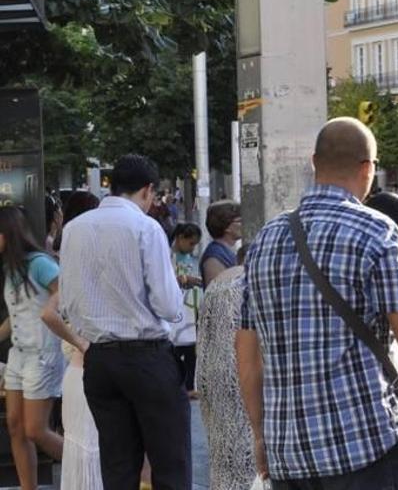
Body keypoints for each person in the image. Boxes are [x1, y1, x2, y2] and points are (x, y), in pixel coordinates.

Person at [237, 117, 398, 489]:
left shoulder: (265, 242)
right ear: (367, 168)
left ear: (314, 163)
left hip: (290, 455)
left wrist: (260, 435)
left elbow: (247, 352)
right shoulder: (378, 232)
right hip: (367, 447)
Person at [59, 154, 189, 489]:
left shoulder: (73, 230)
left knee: (117, 467)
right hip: (147, 356)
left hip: (99, 359)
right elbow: (167, 303)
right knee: (169, 463)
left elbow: (68, 304)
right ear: (147, 191)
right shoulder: (146, 228)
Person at [0, 206, 66, 490]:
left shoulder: (40, 263)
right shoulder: (11, 267)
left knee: (35, 429)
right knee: (15, 426)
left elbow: (66, 293)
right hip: (19, 353)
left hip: (43, 354)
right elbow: (17, 315)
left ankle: (90, 468)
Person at [42, 190, 102, 490]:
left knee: (83, 450)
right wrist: (81, 343)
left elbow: (50, 314)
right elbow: (48, 314)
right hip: (85, 370)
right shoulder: (83, 274)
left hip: (77, 371)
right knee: (90, 449)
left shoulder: (68, 269)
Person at [196, 245, 255, 489]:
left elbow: (202, 338)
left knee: (223, 460)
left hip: (215, 376)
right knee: (250, 462)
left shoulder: (218, 283)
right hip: (247, 374)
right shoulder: (256, 283)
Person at [170, 223, 203, 398]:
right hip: (175, 309)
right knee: (175, 350)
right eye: (190, 243)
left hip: (191, 308)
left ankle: (189, 386)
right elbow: (164, 279)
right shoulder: (168, 255)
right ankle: (175, 385)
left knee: (191, 350)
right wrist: (182, 279)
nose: (193, 247)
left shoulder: (190, 258)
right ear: (180, 238)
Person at [200, 200, 241, 287]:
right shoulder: (214, 257)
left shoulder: (227, 250)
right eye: (239, 221)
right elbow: (216, 296)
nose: (243, 224)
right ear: (227, 227)